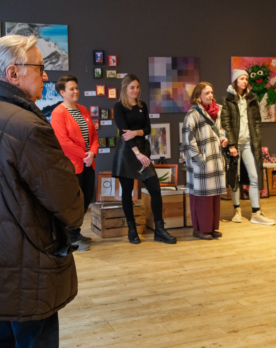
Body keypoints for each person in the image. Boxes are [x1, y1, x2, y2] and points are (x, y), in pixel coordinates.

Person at [0, 35, 84, 347]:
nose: (46, 75)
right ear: (13, 73)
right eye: (39, 67)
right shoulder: (27, 125)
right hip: (27, 259)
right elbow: (67, 201)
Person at [112, 74, 176, 245]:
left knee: (155, 188)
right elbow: (124, 133)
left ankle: (159, 229)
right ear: (125, 88)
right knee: (127, 192)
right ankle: (132, 229)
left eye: (137, 87)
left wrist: (136, 132)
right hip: (127, 152)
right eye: (132, 87)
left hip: (142, 149)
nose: (136, 90)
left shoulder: (142, 105)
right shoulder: (118, 107)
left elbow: (148, 129)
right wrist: (137, 153)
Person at [220, 69, 276, 225]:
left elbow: (257, 121)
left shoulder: (252, 98)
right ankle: (237, 209)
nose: (245, 81)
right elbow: (226, 123)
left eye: (246, 79)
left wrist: (257, 138)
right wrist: (231, 144)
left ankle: (256, 212)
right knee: (235, 177)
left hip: (248, 144)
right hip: (235, 144)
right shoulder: (227, 99)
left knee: (254, 176)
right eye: (242, 78)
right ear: (235, 81)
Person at [51, 75, 99, 251]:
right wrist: (85, 155)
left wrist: (92, 152)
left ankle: (75, 232)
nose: (76, 91)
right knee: (73, 201)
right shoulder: (58, 113)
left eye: (77, 88)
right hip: (73, 165)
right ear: (62, 92)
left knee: (87, 197)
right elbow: (63, 142)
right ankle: (70, 237)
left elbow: (94, 135)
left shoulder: (83, 110)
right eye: (71, 89)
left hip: (88, 163)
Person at [182, 82, 228, 240]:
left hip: (215, 160)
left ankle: (211, 227)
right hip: (201, 162)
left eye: (211, 92)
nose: (210, 95)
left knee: (214, 197)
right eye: (206, 93)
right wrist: (198, 158)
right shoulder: (193, 114)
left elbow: (220, 130)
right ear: (198, 96)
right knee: (202, 198)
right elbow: (188, 138)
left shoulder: (217, 111)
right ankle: (200, 229)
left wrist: (223, 138)